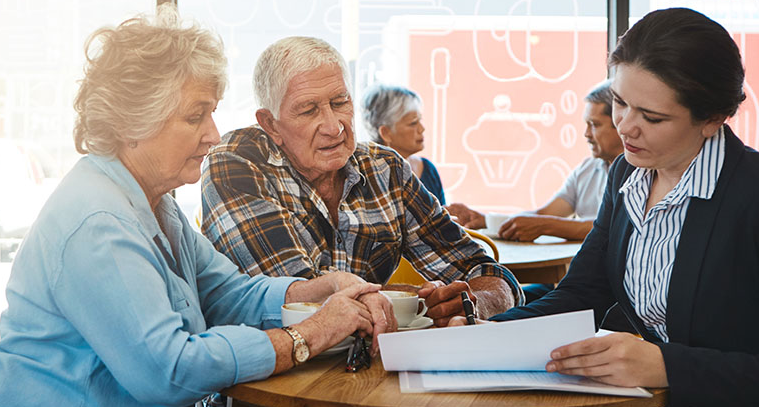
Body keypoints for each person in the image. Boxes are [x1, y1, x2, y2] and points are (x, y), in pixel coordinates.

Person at [0, 7, 387, 407]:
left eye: (212, 114)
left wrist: (322, 289)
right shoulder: (99, 222)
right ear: (133, 123)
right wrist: (308, 335)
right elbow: (170, 370)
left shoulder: (153, 202)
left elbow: (226, 292)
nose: (213, 135)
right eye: (195, 116)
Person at [455, 8, 759, 407]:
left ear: (713, 118)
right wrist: (481, 337)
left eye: (651, 116)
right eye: (619, 102)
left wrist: (665, 365)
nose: (626, 126)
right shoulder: (627, 175)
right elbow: (582, 294)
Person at [202, 36, 523, 326]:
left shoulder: (386, 168)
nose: (334, 126)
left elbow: (487, 273)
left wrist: (472, 303)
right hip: (272, 377)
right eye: (309, 110)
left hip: (372, 368)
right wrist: (419, 300)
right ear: (271, 124)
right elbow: (301, 300)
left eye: (340, 103)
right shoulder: (237, 162)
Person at [450, 80, 623, 242]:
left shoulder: (639, 174)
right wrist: (486, 221)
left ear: (620, 124)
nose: (586, 134)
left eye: (594, 124)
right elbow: (544, 214)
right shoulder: (587, 170)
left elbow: (613, 227)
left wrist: (547, 226)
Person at [360, 83, 447, 204]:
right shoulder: (368, 178)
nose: (422, 129)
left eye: (420, 120)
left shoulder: (428, 169)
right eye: (413, 123)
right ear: (385, 132)